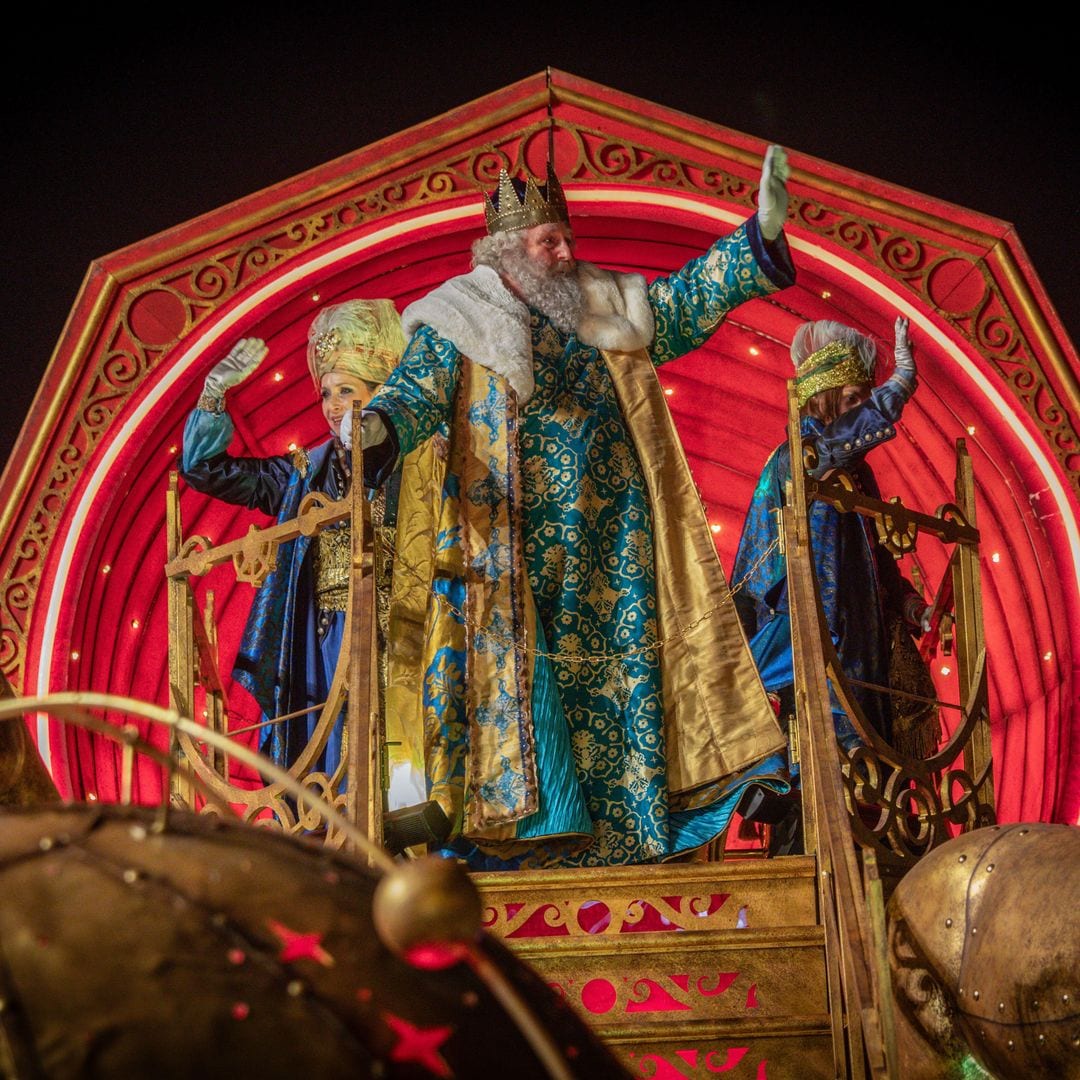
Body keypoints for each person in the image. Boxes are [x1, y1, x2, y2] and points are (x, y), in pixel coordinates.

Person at [356, 146, 799, 870]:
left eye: (566, 238)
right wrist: (377, 429)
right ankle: (535, 841)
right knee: (532, 690)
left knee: (624, 681)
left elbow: (687, 299)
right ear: (507, 252)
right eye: (547, 241)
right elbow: (414, 391)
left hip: (616, 537)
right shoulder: (457, 319)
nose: (565, 252)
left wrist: (758, 240)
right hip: (511, 545)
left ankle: (632, 842)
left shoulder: (606, 304)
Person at [180, 298, 410, 784]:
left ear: (380, 394)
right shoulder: (303, 474)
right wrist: (213, 392)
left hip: (406, 630)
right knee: (325, 750)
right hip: (321, 637)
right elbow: (205, 470)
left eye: (345, 391)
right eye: (325, 394)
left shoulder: (419, 464)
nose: (331, 408)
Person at [730, 316, 936, 851]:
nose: (858, 409)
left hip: (861, 646)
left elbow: (876, 559)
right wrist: (897, 389)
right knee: (820, 762)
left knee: (871, 764)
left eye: (863, 398)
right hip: (806, 634)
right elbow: (834, 445)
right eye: (850, 398)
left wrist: (912, 607)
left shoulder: (857, 474)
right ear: (821, 399)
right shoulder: (799, 458)